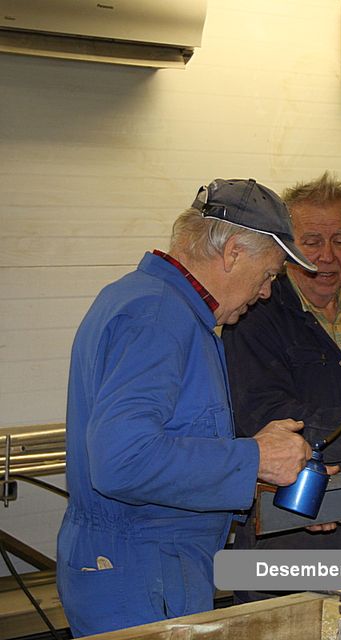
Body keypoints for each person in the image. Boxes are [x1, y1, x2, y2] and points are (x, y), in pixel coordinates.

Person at [57, 178, 316, 637]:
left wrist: (259, 469)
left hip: (144, 569)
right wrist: (253, 458)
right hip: (143, 575)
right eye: (269, 274)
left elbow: (167, 445)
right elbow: (121, 460)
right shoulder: (158, 317)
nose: (266, 292)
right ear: (233, 253)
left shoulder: (153, 303)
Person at [222, 172, 341, 603]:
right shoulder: (254, 316)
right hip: (291, 546)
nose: (328, 256)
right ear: (288, 245)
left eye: (340, 240)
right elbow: (265, 416)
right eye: (312, 242)